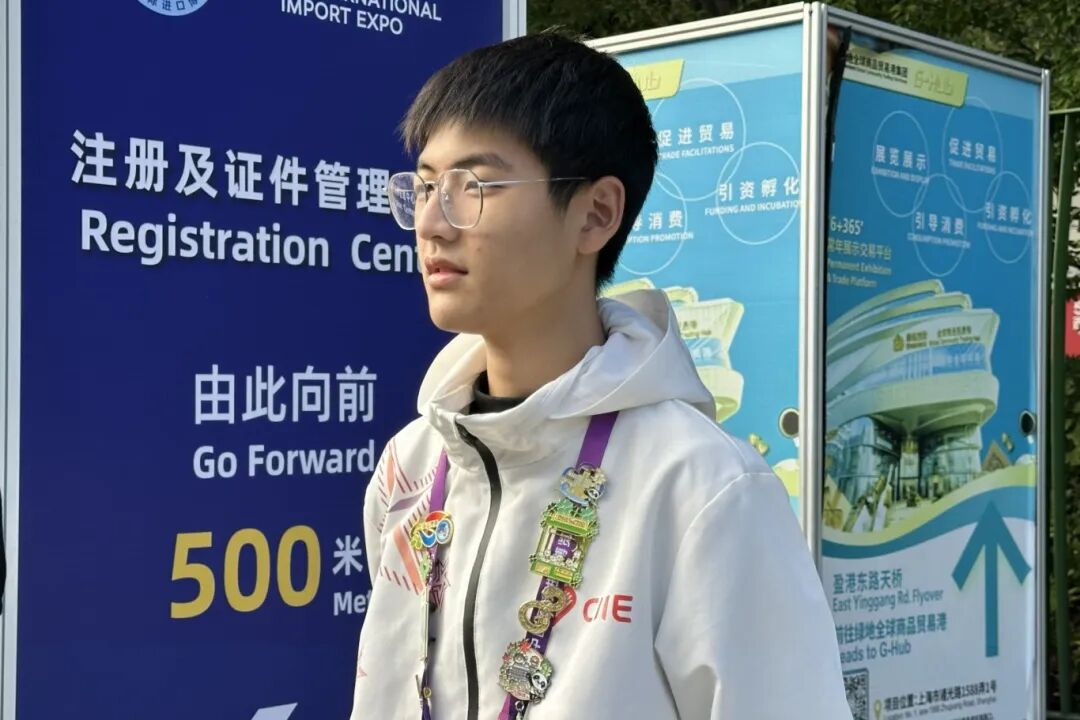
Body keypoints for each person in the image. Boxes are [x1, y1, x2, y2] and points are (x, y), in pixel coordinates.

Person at [351, 31, 853, 720]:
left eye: (474, 186)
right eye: (427, 186)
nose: (432, 224)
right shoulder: (411, 466)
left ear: (595, 214)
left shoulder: (701, 488)